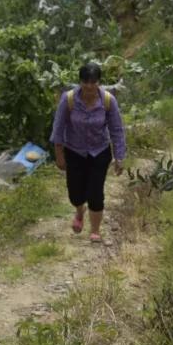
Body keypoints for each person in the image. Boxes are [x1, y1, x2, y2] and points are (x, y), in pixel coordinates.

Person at [49, 62, 126, 243]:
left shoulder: (108, 100)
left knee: (95, 192)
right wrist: (59, 155)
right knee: (75, 193)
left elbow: (116, 129)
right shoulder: (68, 99)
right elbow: (58, 128)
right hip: (74, 151)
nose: (90, 86)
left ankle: (95, 230)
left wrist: (119, 156)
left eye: (93, 82)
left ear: (99, 82)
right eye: (86, 82)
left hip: (99, 151)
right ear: (80, 82)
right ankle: (79, 210)